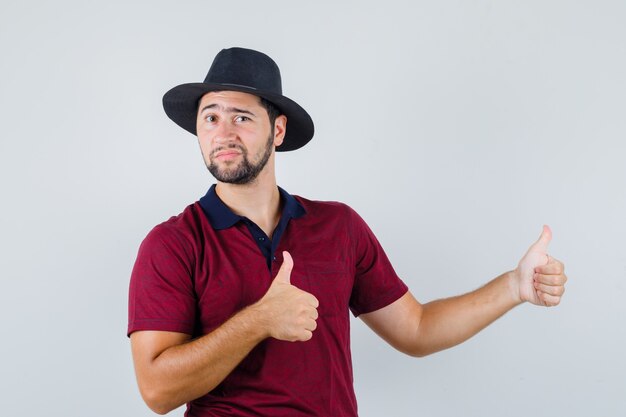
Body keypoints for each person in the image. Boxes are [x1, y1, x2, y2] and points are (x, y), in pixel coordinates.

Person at [127, 47, 567, 417]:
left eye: (241, 118)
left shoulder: (338, 228)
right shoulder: (172, 244)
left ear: (277, 130)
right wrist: (259, 320)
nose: (222, 133)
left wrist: (513, 286)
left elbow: (415, 330)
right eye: (210, 118)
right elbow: (157, 391)